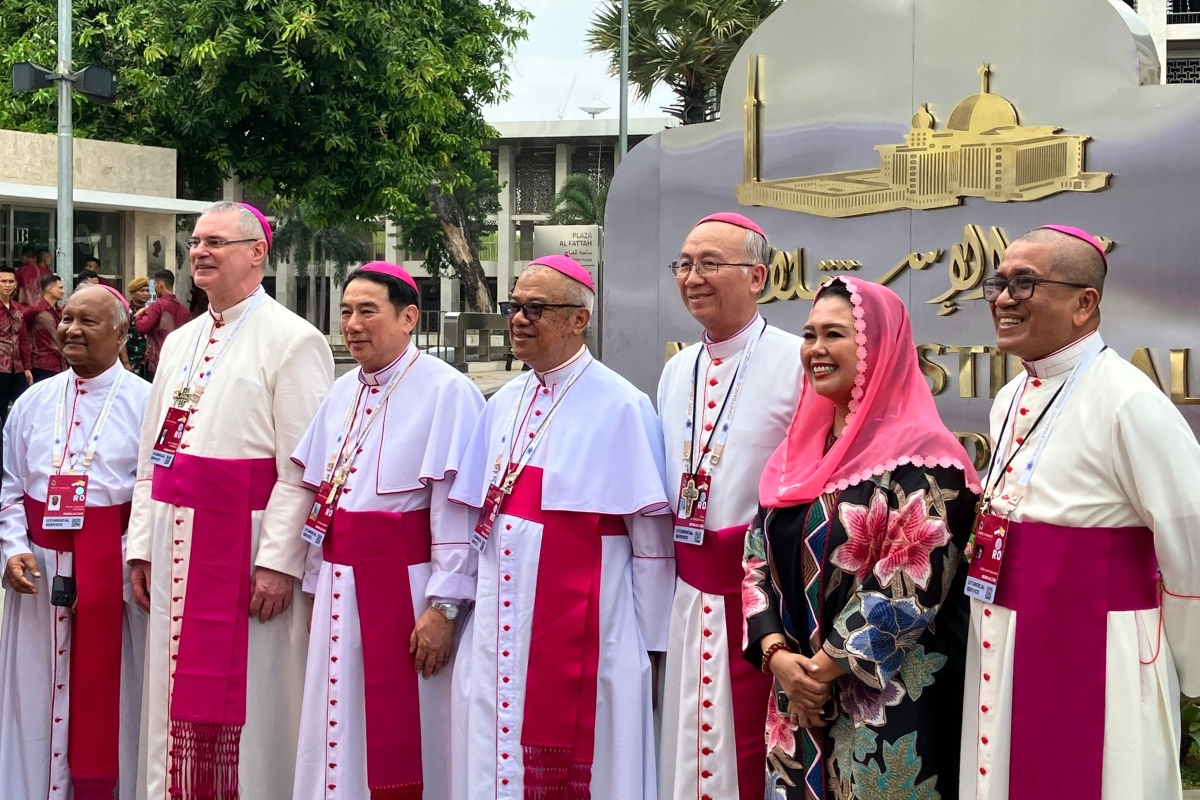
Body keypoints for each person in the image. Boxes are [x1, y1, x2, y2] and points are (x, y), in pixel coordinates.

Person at [959, 226, 1200, 800]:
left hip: (1101, 646)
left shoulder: (1130, 400)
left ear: (1083, 303)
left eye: (1025, 283)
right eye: (999, 282)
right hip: (1010, 632)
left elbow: (1189, 539)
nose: (1003, 298)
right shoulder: (1009, 397)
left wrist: (1189, 666)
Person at [126, 201, 334, 800]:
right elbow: (151, 460)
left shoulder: (294, 340)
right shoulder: (183, 339)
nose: (200, 252)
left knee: (254, 698)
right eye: (195, 241)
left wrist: (276, 561)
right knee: (167, 696)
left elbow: (302, 469)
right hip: (172, 540)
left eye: (216, 241)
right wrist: (140, 546)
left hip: (242, 548)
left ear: (256, 253)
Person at [447, 254, 674, 800]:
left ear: (579, 319)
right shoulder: (501, 403)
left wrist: (652, 648)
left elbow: (651, 545)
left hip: (595, 625)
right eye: (514, 307)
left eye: (536, 308)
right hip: (500, 619)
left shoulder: (623, 404)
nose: (519, 319)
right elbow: (479, 519)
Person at [744, 276, 980, 800]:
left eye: (835, 335)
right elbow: (755, 557)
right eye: (809, 335)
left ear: (880, 349)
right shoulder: (800, 449)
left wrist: (821, 672)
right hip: (794, 697)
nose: (817, 350)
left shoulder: (927, 458)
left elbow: (908, 587)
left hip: (888, 704)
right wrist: (778, 656)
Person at [292, 262, 484, 800]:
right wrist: (313, 587)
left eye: (367, 311)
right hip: (337, 582)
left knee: (407, 728)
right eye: (346, 312)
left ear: (408, 317)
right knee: (337, 716)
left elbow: (455, 513)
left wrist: (444, 607)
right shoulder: (342, 390)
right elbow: (323, 502)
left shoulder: (448, 391)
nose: (352, 324)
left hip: (406, 587)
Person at [655, 212, 803, 800]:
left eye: (710, 264)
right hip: (688, 594)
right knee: (688, 740)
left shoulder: (796, 362)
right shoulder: (675, 369)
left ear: (757, 277)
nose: (693, 277)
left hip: (764, 601)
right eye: (685, 264)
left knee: (753, 749)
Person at [0, 284, 151, 800]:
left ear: (122, 333)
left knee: (113, 695)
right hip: (39, 574)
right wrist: (13, 549)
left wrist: (126, 558)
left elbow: (155, 497)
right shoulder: (33, 401)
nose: (70, 330)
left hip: (115, 574)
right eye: (66, 318)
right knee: (35, 693)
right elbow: (9, 488)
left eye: (88, 321)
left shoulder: (146, 404)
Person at [133, 269, 191, 382]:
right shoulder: (184, 309)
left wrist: (138, 316)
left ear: (160, 285)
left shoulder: (158, 306)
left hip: (157, 362)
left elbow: (142, 327)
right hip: (177, 361)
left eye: (154, 285)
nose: (153, 289)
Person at [0, 267, 32, 422]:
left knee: (26, 406)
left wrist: (27, 367)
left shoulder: (18, 309)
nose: (7, 285)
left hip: (17, 367)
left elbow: (24, 339)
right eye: (3, 281)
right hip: (0, 367)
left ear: (15, 285)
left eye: (10, 281)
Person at [25, 273, 66, 382]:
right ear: (50, 289)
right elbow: (20, 330)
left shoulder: (60, 311)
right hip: (41, 364)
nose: (63, 291)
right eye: (60, 288)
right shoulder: (35, 309)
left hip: (62, 364)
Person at [124, 276, 150, 377]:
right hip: (132, 362)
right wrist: (126, 362)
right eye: (141, 291)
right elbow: (121, 339)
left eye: (147, 291)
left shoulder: (151, 312)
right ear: (132, 294)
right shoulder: (126, 312)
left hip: (148, 364)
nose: (145, 294)